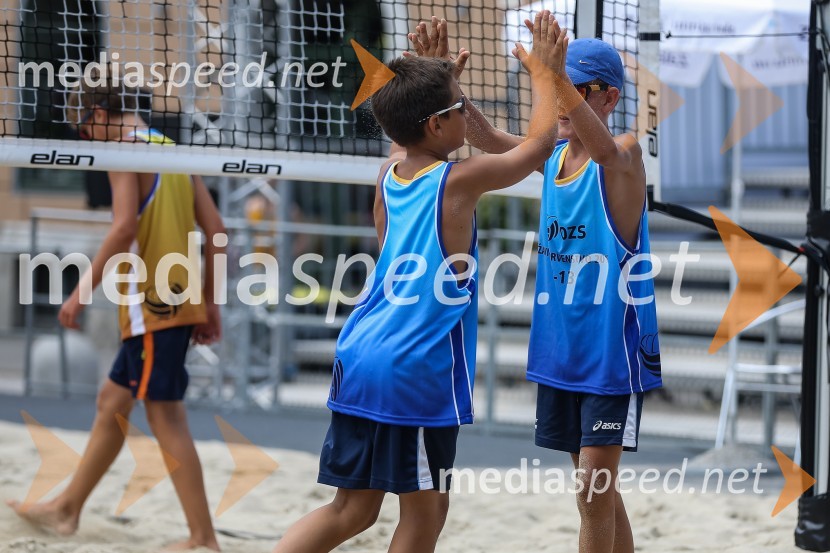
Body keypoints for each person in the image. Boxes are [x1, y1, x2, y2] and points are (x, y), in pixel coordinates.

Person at [272, 12, 565, 553]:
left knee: (350, 509)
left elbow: (408, 121)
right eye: (459, 108)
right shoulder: (459, 181)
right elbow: (539, 146)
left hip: (360, 354)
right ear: (436, 125)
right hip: (414, 369)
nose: (465, 114)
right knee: (425, 514)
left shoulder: (389, 173)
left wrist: (436, 75)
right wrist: (546, 74)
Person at [409, 18, 663, 553]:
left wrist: (551, 76)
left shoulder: (624, 154)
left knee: (593, 491)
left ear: (610, 96)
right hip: (562, 348)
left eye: (578, 89)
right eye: (558, 88)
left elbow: (611, 154)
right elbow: (488, 139)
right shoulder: (554, 157)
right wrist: (442, 83)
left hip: (610, 352)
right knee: (599, 491)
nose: (562, 102)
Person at [8, 80, 225, 552]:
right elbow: (217, 231)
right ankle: (67, 508)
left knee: (166, 415)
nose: (85, 138)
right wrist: (210, 301)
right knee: (112, 400)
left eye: (84, 128)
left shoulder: (123, 152)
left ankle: (203, 539)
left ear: (100, 115)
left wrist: (80, 292)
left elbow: (124, 227)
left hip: (151, 305)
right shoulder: (170, 148)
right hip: (178, 300)